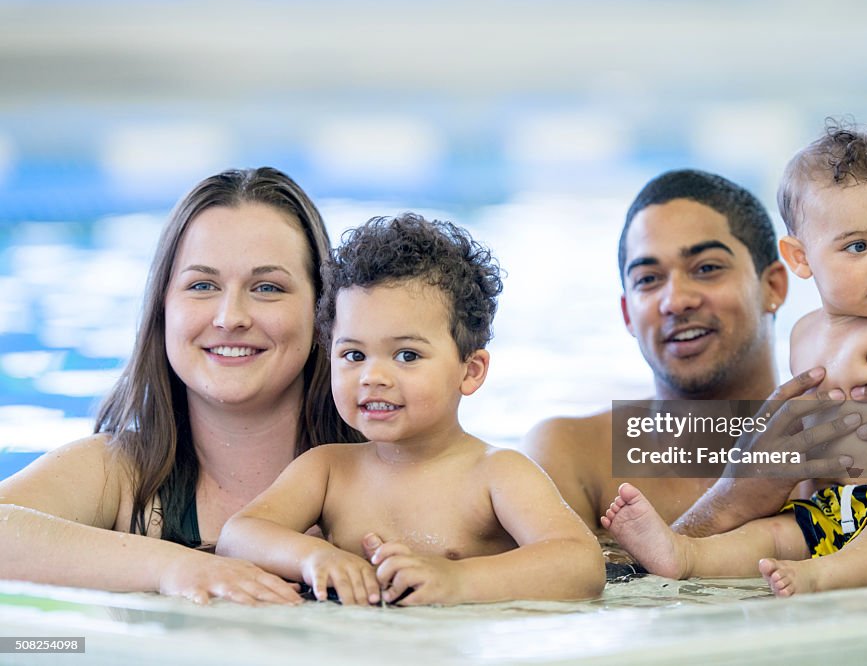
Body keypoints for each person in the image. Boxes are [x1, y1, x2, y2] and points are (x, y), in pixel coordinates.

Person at [603, 124, 867, 595]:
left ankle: (820, 576)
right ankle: (685, 553)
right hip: (837, 504)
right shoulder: (805, 334)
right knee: (775, 532)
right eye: (858, 246)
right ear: (799, 257)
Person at [524, 168, 867, 541]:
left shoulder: (857, 435)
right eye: (648, 280)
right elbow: (561, 593)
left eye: (706, 268)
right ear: (628, 315)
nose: (676, 300)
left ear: (775, 284)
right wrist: (725, 506)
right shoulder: (572, 453)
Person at [0, 167, 362, 604]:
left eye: (267, 287)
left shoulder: (386, 475)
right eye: (202, 285)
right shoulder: (122, 476)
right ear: (163, 309)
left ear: (322, 312)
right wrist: (175, 566)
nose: (231, 317)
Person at [217, 213, 605, 606]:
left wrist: (458, 579)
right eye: (353, 354)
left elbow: (581, 564)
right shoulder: (328, 470)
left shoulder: (496, 473)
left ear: (470, 371)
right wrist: (314, 556)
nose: (373, 376)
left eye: (406, 354)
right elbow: (238, 537)